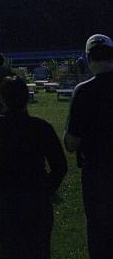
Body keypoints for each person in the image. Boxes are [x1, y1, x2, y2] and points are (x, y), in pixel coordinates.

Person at [0, 75, 67, 259]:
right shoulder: (41, 127)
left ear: (2, 99)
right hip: (36, 201)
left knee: (7, 251)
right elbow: (60, 166)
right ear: (27, 98)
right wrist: (45, 190)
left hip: (3, 202)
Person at [64, 34, 113, 259]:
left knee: (99, 232)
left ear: (88, 58)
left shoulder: (83, 92)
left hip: (97, 172)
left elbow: (72, 143)